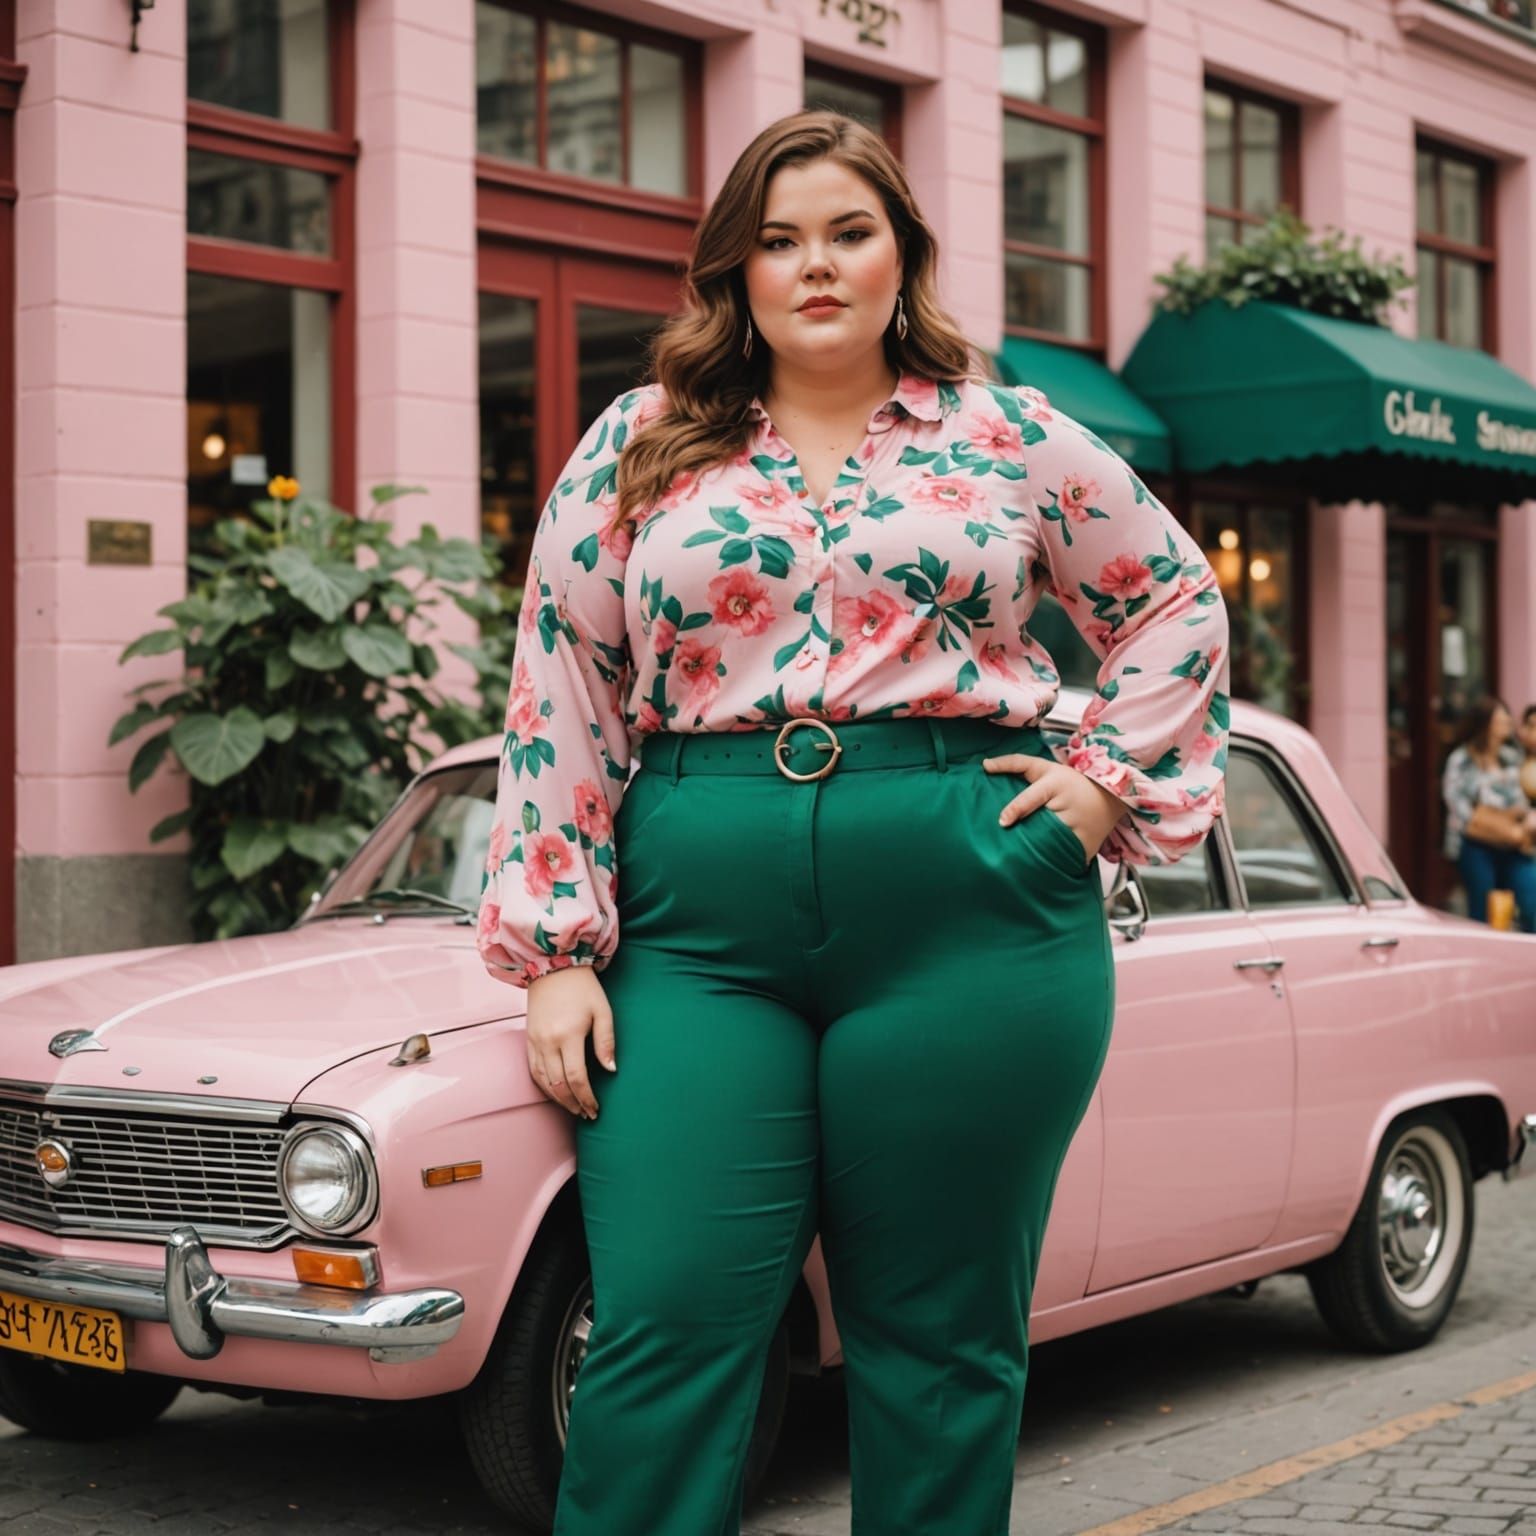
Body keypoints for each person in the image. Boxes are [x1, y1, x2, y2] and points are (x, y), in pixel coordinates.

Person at [476, 109, 1229, 1536]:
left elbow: (1175, 602)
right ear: (735, 274)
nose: (812, 266)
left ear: (902, 255)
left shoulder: (1010, 433)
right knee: (666, 1328)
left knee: (940, 1349)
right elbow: (559, 683)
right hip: (700, 928)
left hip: (971, 902)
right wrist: (558, 947)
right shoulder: (640, 442)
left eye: (847, 231)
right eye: (776, 240)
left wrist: (1096, 786)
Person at [1441, 695, 1536, 932]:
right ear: (1486, 725)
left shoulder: (1510, 758)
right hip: (1474, 844)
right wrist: (1488, 821)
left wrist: (1517, 819)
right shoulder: (1461, 760)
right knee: (1482, 910)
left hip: (1511, 842)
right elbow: (1455, 802)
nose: (1508, 726)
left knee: (1529, 899)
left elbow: (1519, 799)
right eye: (1502, 721)